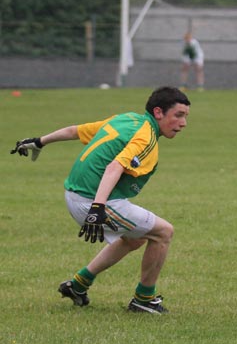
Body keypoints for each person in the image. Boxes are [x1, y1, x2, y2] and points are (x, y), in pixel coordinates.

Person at [10, 86, 190, 314]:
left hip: (77, 194)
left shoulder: (128, 119)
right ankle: (144, 300)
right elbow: (115, 166)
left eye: (185, 117)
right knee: (164, 232)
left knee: (134, 239)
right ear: (158, 112)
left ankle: (78, 285)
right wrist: (98, 207)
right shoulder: (145, 137)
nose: (183, 123)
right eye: (179, 115)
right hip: (92, 200)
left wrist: (40, 141)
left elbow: (77, 131)